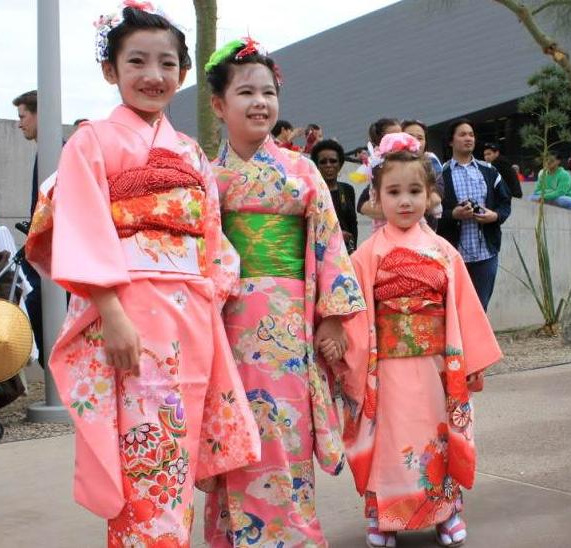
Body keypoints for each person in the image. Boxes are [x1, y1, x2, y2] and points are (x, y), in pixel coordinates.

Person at [24, 4, 261, 546]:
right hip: (131, 311)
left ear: (182, 73)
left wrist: (208, 298)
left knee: (174, 448)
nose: (154, 75)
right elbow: (79, 225)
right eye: (137, 62)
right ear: (111, 71)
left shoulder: (190, 152)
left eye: (168, 63)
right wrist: (109, 312)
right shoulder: (92, 142)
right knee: (144, 450)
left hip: (190, 318)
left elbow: (212, 240)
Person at [203, 37, 366, 547]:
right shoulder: (208, 178)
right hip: (227, 322)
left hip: (290, 325)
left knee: (285, 431)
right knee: (235, 432)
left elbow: (329, 244)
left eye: (268, 93)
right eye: (246, 92)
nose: (260, 103)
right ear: (218, 105)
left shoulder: (302, 171)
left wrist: (334, 317)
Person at [338, 132, 502, 548]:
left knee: (437, 435)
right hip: (386, 365)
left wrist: (472, 360)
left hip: (435, 365)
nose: (404, 201)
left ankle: (444, 512)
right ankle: (384, 515)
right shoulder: (365, 255)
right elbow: (356, 317)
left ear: (431, 196)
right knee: (389, 439)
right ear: (376, 197)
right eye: (393, 192)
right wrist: (348, 361)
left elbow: (464, 308)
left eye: (415, 191)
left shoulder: (444, 250)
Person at [437, 118, 511, 310]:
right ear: (451, 141)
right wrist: (453, 214)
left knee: (480, 308)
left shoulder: (489, 171)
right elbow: (431, 211)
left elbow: (505, 202)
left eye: (471, 134)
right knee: (453, 308)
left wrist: (494, 216)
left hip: (486, 253)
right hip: (452, 254)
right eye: (462, 134)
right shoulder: (441, 174)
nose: (468, 138)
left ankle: (476, 341)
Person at [12, 89, 44, 367]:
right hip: (45, 253)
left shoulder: (55, 151)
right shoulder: (46, 151)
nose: (20, 123)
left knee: (36, 304)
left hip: (52, 259)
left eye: (23, 116)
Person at [311, 138, 359, 253]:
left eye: (333, 161)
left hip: (346, 253)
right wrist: (335, 235)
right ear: (316, 166)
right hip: (320, 254)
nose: (328, 165)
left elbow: (353, 224)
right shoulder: (312, 191)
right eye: (323, 162)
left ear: (340, 164)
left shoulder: (347, 190)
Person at [401, 118, 444, 228]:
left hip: (426, 231)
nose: (415, 141)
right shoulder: (389, 164)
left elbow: (436, 197)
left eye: (420, 138)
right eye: (410, 137)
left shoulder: (431, 162)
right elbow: (364, 204)